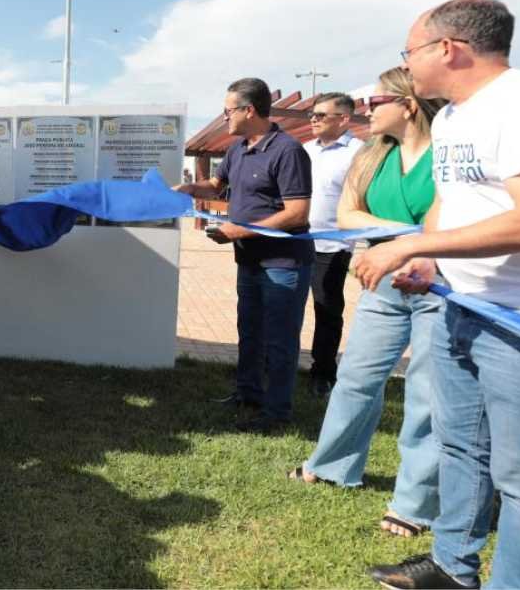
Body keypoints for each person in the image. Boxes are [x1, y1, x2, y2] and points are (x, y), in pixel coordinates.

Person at [361, 0, 520, 590]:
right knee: (459, 447)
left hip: (519, 323)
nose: (406, 65)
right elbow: (448, 202)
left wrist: (405, 248)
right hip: (461, 307)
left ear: (449, 48)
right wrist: (430, 255)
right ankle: (452, 569)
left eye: (409, 52)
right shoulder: (454, 117)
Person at [291, 68, 445, 539]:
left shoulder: (448, 153)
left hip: (441, 286)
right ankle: (334, 465)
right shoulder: (371, 155)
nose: (366, 110)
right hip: (383, 282)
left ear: (409, 104)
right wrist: (406, 235)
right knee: (356, 375)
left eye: (376, 100)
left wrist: (393, 238)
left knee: (427, 393)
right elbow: (346, 214)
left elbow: (450, 225)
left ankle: (416, 502)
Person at [174, 77, 314, 433]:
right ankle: (248, 394)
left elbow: (297, 213)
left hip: (283, 263)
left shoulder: (288, 151)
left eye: (228, 111)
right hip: (248, 260)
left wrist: (240, 230)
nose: (225, 119)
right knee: (249, 331)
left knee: (279, 340)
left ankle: (276, 413)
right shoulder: (238, 148)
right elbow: (216, 186)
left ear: (248, 110)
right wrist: (190, 188)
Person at [302, 92, 364, 398]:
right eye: (311, 114)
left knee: (326, 309)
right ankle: (276, 364)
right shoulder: (304, 150)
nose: (313, 119)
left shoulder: (359, 153)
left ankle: (323, 371)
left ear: (343, 119)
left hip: (332, 246)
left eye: (321, 115)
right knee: (284, 305)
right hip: (295, 240)